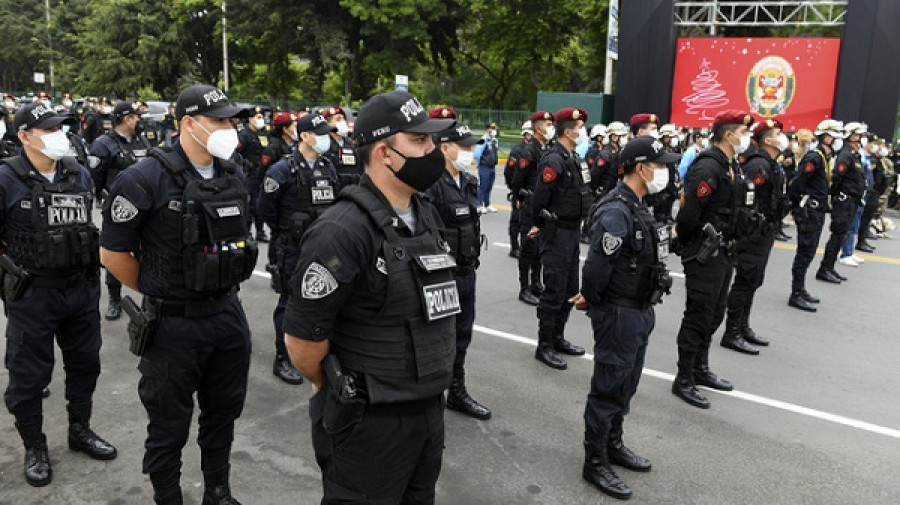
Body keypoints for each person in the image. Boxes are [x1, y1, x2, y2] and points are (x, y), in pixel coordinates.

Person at [283, 90, 455, 504]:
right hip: (369, 421)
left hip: (426, 409)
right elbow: (302, 341)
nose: (433, 151)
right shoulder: (342, 231)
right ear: (385, 153)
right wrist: (334, 388)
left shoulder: (424, 213)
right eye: (420, 141)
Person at [100, 84, 254, 505]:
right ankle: (167, 496)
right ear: (188, 123)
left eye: (231, 120)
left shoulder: (232, 172)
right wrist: (158, 289)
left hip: (226, 315)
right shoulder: (143, 178)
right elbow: (113, 252)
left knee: (223, 412)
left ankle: (218, 491)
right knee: (168, 423)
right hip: (172, 325)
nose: (229, 128)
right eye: (219, 120)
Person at [1, 102, 117, 487]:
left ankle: (79, 429)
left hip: (80, 290)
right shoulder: (6, 178)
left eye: (60, 127)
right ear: (24, 136)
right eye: (48, 129)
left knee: (85, 364)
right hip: (33, 294)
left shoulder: (77, 172)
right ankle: (35, 445)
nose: (58, 134)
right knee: (28, 376)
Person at [572, 136, 677, 500]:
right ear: (641, 168)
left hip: (639, 309)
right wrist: (594, 300)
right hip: (618, 311)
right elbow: (597, 267)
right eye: (659, 165)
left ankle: (613, 444)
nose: (664, 171)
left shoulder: (638, 205)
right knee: (609, 386)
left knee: (626, 383)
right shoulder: (616, 210)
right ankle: (595, 460)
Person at [672, 110, 757, 409]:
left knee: (714, 314)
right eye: (741, 131)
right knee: (698, 315)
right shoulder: (708, 166)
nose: (745, 137)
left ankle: (700, 368)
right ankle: (683, 378)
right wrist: (689, 248)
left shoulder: (731, 164)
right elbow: (689, 214)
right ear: (727, 134)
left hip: (725, 252)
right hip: (705, 253)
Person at [258, 113, 339, 386]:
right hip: (293, 248)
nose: (327, 138)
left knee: (325, 298)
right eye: (321, 133)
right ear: (305, 136)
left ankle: (318, 352)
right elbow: (266, 208)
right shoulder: (283, 169)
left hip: (324, 247)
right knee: (290, 302)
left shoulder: (328, 166)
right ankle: (283, 357)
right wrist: (287, 231)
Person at [425, 113, 491, 420]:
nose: (469, 152)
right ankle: (428, 397)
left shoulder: (469, 181)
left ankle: (457, 391)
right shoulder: (432, 183)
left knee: (462, 336)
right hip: (442, 275)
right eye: (462, 146)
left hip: (466, 271)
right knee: (437, 338)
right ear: (445, 148)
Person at [528, 107, 591, 370]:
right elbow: (540, 198)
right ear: (568, 131)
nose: (582, 132)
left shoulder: (574, 157)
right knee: (553, 290)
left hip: (572, 231)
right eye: (579, 128)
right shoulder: (553, 159)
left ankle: (558, 337)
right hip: (556, 232)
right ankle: (544, 345)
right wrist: (538, 225)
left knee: (568, 289)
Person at [720, 119, 788, 355]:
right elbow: (746, 197)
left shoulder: (772, 164)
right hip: (753, 233)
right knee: (745, 280)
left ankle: (742, 326)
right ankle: (732, 332)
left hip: (765, 231)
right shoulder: (758, 165)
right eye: (778, 133)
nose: (783, 136)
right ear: (768, 140)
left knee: (754, 280)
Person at [90, 101, 152, 320]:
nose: (139, 120)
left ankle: (149, 300)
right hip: (119, 210)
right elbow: (94, 179)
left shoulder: (142, 141)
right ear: (127, 119)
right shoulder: (103, 144)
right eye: (136, 117)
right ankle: (115, 299)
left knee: (147, 254)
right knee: (117, 253)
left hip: (146, 208)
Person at [787, 120, 844, 311]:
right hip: (809, 210)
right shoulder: (815, 157)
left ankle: (801, 289)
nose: (838, 141)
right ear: (826, 137)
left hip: (818, 210)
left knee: (810, 251)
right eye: (835, 137)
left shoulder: (826, 157)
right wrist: (798, 208)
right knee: (804, 251)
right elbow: (797, 184)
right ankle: (795, 293)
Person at [511, 111, 554, 306]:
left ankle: (537, 283)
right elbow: (518, 178)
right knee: (528, 247)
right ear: (538, 128)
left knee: (539, 249)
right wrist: (519, 197)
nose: (550, 127)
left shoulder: (546, 148)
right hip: (529, 203)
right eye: (547, 124)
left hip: (541, 204)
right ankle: (524, 287)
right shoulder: (529, 151)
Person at [817, 121, 867, 284]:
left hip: (851, 202)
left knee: (842, 235)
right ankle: (824, 269)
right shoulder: (845, 154)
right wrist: (837, 195)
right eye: (859, 135)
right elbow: (838, 178)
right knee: (837, 235)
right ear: (852, 136)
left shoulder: (853, 154)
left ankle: (830, 267)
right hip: (844, 201)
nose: (861, 138)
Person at [236, 106, 270, 242]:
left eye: (262, 117)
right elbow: (236, 153)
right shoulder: (244, 135)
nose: (261, 120)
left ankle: (260, 231)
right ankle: (248, 232)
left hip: (262, 173)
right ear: (250, 119)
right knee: (250, 204)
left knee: (260, 204)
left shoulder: (263, 134)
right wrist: (245, 164)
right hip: (250, 174)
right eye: (258, 117)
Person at [504, 120, 533, 258]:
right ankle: (514, 247)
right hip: (519, 190)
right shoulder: (518, 150)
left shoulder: (537, 150)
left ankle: (526, 245)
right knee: (516, 220)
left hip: (532, 192)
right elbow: (509, 172)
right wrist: (515, 190)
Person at [321, 105, 362, 186]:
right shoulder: (324, 145)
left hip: (353, 188)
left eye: (343, 119)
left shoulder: (352, 144)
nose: (342, 122)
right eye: (338, 119)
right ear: (327, 124)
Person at [474, 122, 499, 213]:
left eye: (494, 129)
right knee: (483, 186)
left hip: (492, 167)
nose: (493, 131)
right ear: (487, 130)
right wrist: (478, 163)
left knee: (489, 187)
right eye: (491, 129)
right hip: (484, 167)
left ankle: (487, 204)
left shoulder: (494, 140)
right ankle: (480, 204)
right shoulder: (483, 140)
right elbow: (477, 154)